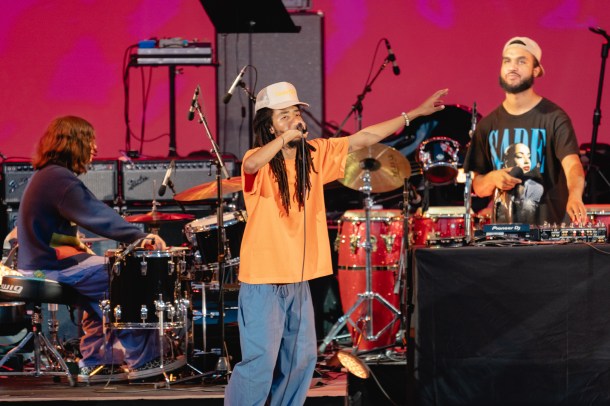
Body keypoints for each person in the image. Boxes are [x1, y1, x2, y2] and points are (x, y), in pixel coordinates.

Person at [224, 81, 448, 405]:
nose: (294, 120)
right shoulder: (258, 160)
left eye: (296, 113)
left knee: (301, 361)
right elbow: (250, 165)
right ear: (269, 126)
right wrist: (286, 138)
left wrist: (413, 114)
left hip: (298, 279)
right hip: (263, 280)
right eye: (284, 116)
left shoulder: (315, 155)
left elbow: (364, 137)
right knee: (260, 364)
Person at [16, 116, 177, 383]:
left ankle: (100, 361)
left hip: (42, 265)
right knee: (123, 277)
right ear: (74, 142)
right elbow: (97, 215)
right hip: (48, 268)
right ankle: (144, 360)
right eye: (90, 141)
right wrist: (140, 237)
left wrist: (78, 246)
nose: (95, 148)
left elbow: (54, 234)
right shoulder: (58, 178)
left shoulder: (48, 176)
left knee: (99, 288)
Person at [465, 36, 586, 225]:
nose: (512, 67)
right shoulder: (487, 125)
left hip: (549, 233)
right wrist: (492, 178)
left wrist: (575, 195)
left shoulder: (554, 117)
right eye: (507, 61)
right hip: (504, 236)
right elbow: (479, 187)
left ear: (536, 70)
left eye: (521, 61)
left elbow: (573, 166)